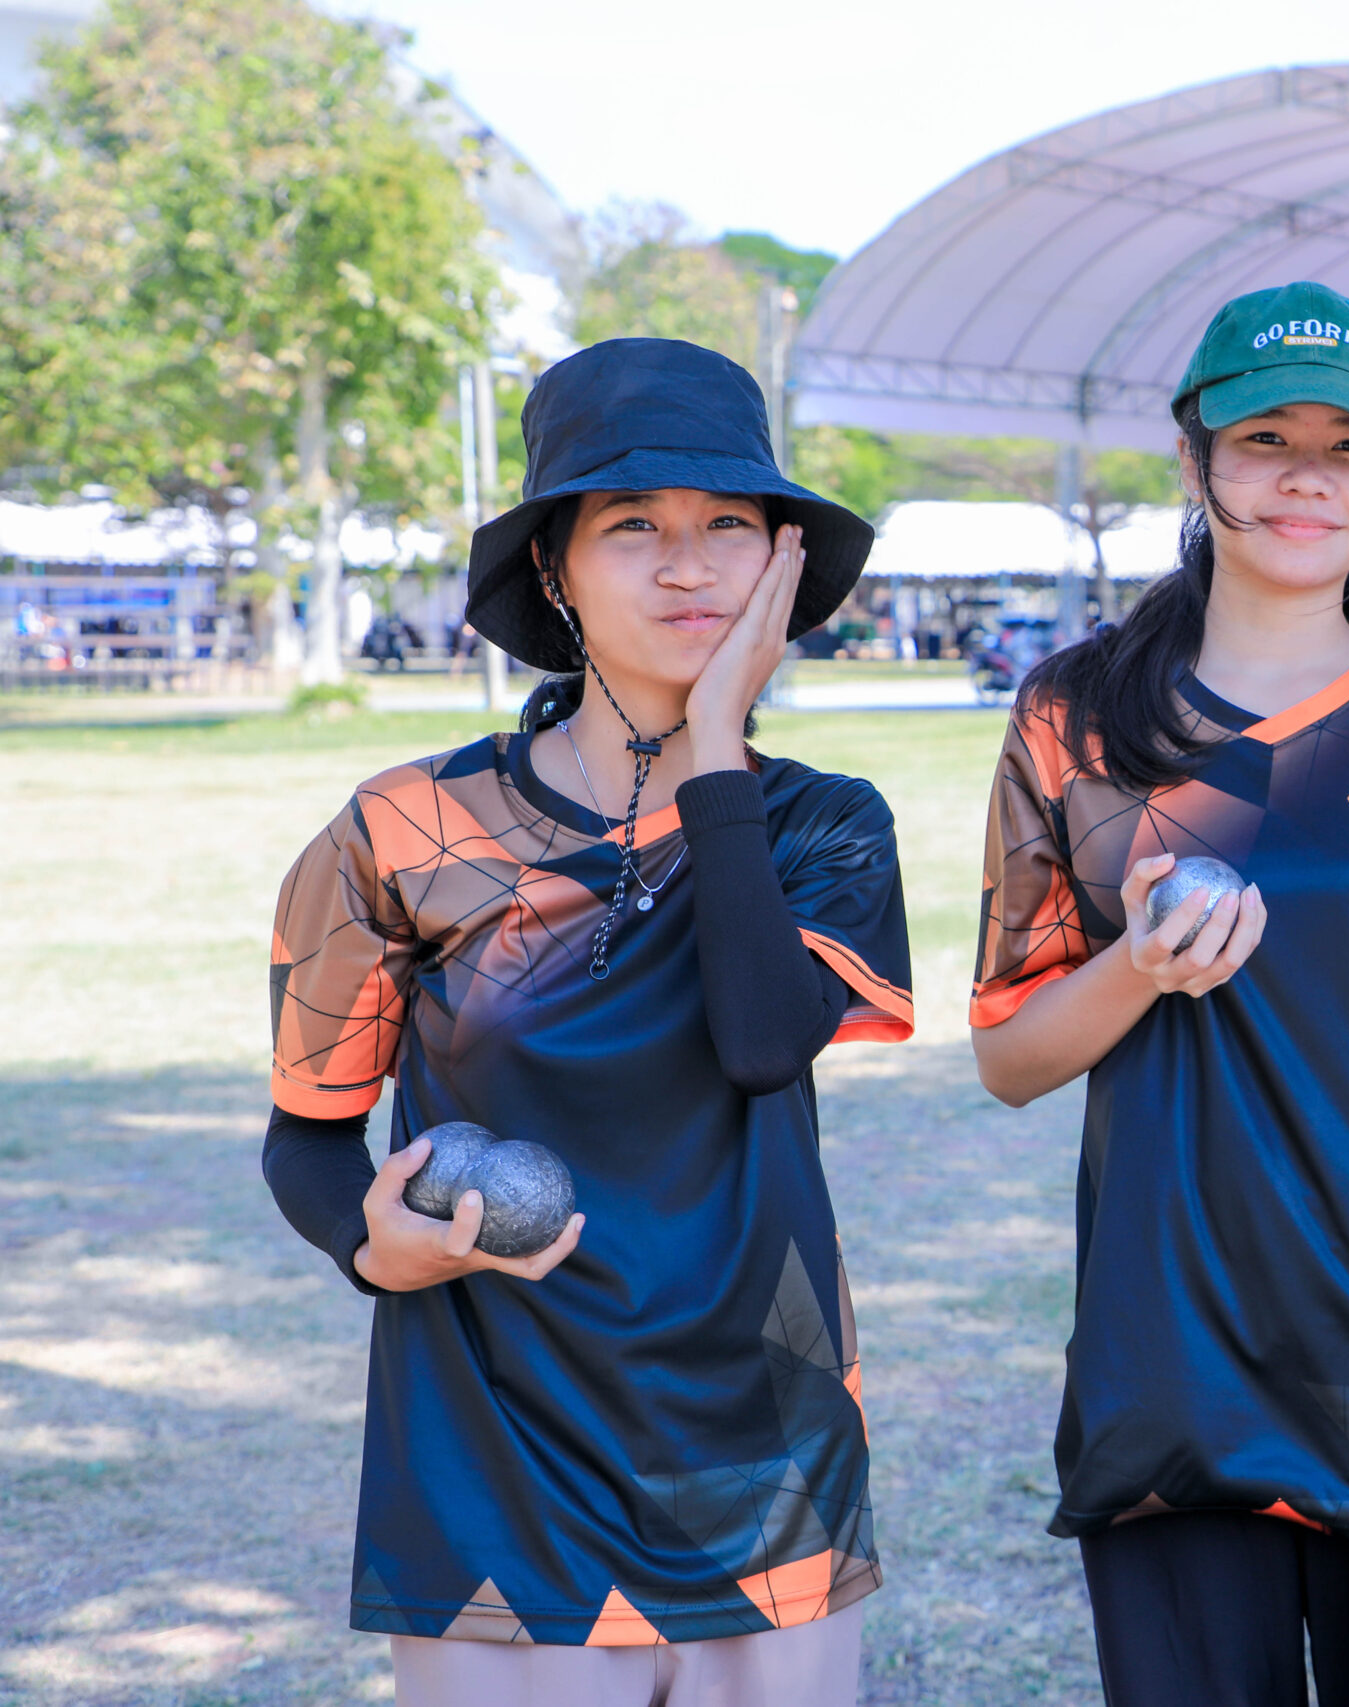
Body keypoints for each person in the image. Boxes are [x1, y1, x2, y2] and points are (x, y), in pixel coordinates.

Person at [260, 337, 913, 1704]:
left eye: (727, 524)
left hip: (766, 1448)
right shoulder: (404, 826)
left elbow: (760, 1045)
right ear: (553, 567)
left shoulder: (824, 823)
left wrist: (717, 750)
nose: (687, 566)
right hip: (492, 1456)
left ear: (781, 560)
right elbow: (307, 1136)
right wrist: (371, 1248)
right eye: (632, 527)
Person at [969, 281, 1349, 1707]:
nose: (1307, 477)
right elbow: (1009, 1058)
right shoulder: (1075, 715)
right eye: (1265, 440)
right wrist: (1136, 967)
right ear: (1194, 458)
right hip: (1175, 1358)